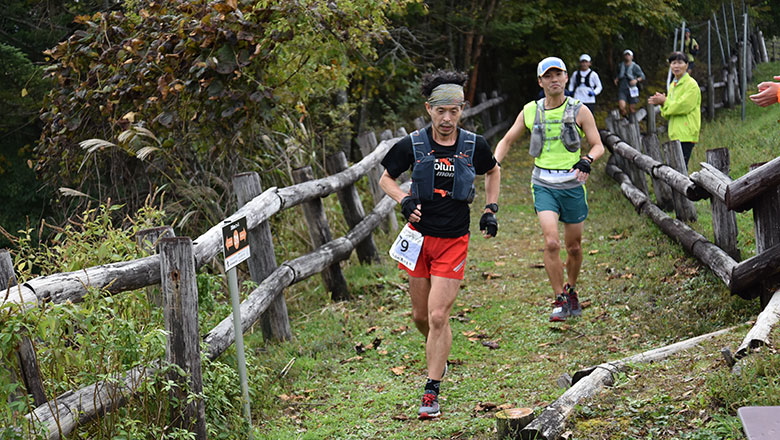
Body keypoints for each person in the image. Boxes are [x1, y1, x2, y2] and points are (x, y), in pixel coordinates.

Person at [379, 70, 501, 420]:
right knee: (421, 317)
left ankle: (431, 390)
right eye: (440, 111)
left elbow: (493, 171)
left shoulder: (473, 145)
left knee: (437, 315)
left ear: (462, 110)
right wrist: (402, 198)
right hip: (418, 241)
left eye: (454, 111)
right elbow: (385, 178)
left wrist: (490, 209)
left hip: (453, 241)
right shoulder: (412, 145)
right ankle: (439, 352)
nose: (447, 119)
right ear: (428, 109)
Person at [494, 57, 604, 322]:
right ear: (540, 81)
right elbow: (507, 139)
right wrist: (493, 163)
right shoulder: (530, 111)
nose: (554, 80)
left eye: (559, 75)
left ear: (566, 78)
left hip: (572, 184)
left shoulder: (580, 110)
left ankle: (571, 288)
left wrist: (587, 160)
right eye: (548, 76)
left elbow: (597, 145)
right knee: (552, 242)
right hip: (543, 184)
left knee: (574, 247)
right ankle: (559, 298)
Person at [648, 51, 701, 169]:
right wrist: (663, 103)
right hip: (674, 133)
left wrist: (664, 102)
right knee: (676, 169)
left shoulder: (691, 85)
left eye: (680, 63)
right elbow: (667, 113)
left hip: (686, 133)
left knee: (681, 169)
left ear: (687, 65)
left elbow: (682, 106)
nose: (676, 66)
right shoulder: (673, 85)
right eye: (673, 63)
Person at [614, 49, 646, 117]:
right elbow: (618, 74)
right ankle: (626, 118)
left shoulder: (635, 66)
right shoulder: (620, 65)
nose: (627, 56)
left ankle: (633, 122)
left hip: (632, 88)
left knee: (632, 108)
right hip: (622, 88)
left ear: (632, 57)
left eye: (629, 55)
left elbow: (642, 76)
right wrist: (616, 79)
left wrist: (636, 80)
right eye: (626, 55)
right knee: (621, 107)